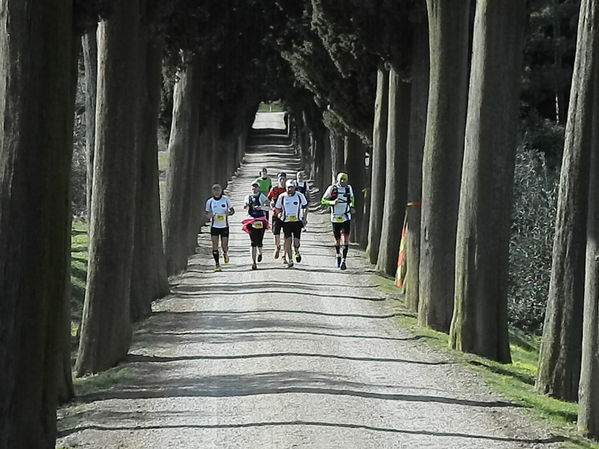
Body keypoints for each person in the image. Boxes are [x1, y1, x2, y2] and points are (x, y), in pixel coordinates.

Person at [321, 172, 355, 270]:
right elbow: (323, 200)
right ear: (337, 180)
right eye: (341, 179)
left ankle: (344, 260)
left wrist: (352, 206)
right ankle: (337, 255)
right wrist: (332, 202)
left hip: (346, 216)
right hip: (335, 217)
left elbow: (352, 198)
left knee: (346, 240)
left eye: (344, 179)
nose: (343, 181)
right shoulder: (332, 188)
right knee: (337, 240)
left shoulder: (349, 188)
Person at [275, 180, 308, 268]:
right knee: (287, 241)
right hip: (286, 222)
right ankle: (290, 260)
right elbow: (277, 208)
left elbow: (305, 206)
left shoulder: (300, 196)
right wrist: (279, 214)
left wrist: (304, 217)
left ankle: (296, 251)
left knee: (296, 242)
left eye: (291, 187)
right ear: (286, 188)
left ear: (294, 188)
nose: (290, 189)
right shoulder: (282, 197)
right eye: (288, 187)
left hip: (297, 221)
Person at [205, 184, 235, 272]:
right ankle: (217, 264)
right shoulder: (210, 201)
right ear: (212, 192)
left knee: (224, 245)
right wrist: (209, 216)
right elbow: (207, 213)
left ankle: (225, 253)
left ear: (221, 190)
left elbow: (232, 211)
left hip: (224, 226)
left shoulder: (226, 199)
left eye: (218, 190)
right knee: (215, 245)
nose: (217, 192)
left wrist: (228, 213)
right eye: (215, 190)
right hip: (214, 226)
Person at [242, 182, 271, 270]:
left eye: (255, 187)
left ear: (258, 188)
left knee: (260, 241)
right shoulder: (248, 197)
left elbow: (268, 206)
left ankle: (260, 252)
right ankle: (253, 262)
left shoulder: (261, 196)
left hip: (260, 220)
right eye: (252, 187)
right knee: (253, 242)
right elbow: (245, 207)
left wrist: (261, 207)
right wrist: (246, 206)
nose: (254, 189)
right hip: (251, 220)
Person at [267, 172, 287, 262]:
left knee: (287, 236)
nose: (282, 181)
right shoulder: (274, 189)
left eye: (283, 179)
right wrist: (271, 205)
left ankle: (284, 255)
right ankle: (277, 247)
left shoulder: (288, 189)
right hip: (275, 214)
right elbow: (268, 200)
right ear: (278, 180)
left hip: (286, 215)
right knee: (276, 233)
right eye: (280, 179)